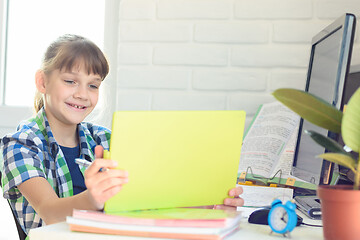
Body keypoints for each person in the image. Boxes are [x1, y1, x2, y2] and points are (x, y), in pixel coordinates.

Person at [0, 34, 244, 235]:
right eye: (70, 81)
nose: (83, 94)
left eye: (93, 85)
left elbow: (147, 201)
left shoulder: (106, 140)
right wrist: (93, 199)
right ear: (42, 82)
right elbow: (50, 212)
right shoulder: (20, 145)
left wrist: (206, 203)